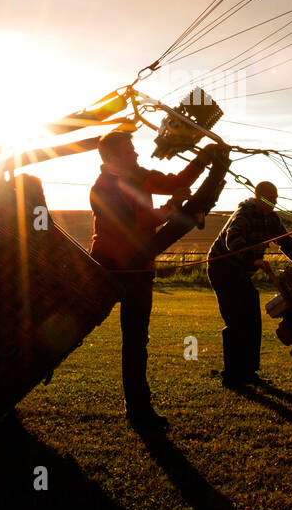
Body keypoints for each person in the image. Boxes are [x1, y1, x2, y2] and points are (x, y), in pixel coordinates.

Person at [89, 131, 213, 429]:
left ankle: (138, 409)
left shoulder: (139, 176)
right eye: (130, 150)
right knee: (75, 326)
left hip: (140, 269)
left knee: (136, 340)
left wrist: (204, 157)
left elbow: (176, 182)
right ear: (116, 156)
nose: (136, 154)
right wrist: (171, 208)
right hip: (112, 269)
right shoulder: (103, 188)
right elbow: (137, 222)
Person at [207, 181, 292, 388]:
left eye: (276, 199)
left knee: (252, 318)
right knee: (236, 320)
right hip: (223, 269)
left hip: (241, 273)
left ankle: (249, 372)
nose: (274, 203)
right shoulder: (243, 215)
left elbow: (284, 240)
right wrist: (253, 260)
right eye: (271, 199)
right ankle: (232, 376)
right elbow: (232, 241)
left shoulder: (271, 218)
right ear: (258, 197)